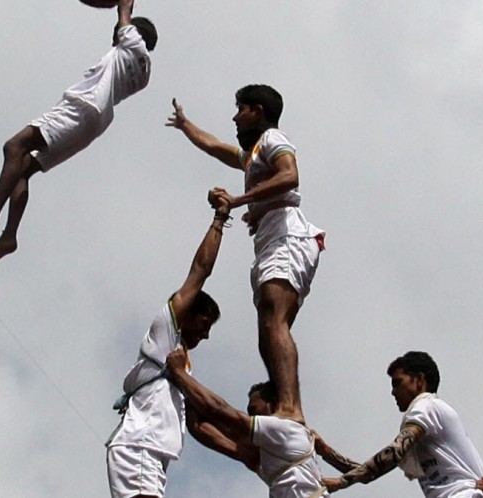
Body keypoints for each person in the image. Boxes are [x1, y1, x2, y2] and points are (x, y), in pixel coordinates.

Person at [0, 0, 157, 265]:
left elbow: (125, 7)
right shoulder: (144, 74)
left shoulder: (132, 43)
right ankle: (9, 236)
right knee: (20, 169)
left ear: (137, 33)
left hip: (81, 107)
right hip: (94, 124)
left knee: (14, 146)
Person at [167, 85, 324, 424]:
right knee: (268, 329)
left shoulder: (272, 140)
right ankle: (284, 405)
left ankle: (290, 408)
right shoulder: (251, 156)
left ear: (258, 111)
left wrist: (239, 202)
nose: (235, 117)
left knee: (274, 319)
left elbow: (290, 175)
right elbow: (213, 146)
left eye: (240, 109)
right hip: (272, 241)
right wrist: (185, 125)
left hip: (288, 237)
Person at [105, 194, 228, 498]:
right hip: (140, 447)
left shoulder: (181, 363)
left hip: (151, 455)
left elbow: (199, 426)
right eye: (204, 324)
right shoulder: (165, 337)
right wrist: (220, 220)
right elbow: (200, 270)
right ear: (187, 315)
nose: (206, 335)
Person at [314, 351, 483, 498]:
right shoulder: (429, 421)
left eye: (398, 383)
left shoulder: (426, 405)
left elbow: (393, 453)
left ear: (419, 380)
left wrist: (341, 482)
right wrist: (327, 452)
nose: (393, 392)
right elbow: (370, 471)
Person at [164, 348, 328, 498]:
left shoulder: (282, 429)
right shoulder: (263, 458)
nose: (250, 414)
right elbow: (199, 428)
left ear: (271, 402)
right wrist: (183, 390)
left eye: (253, 408)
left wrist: (179, 372)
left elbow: (217, 409)